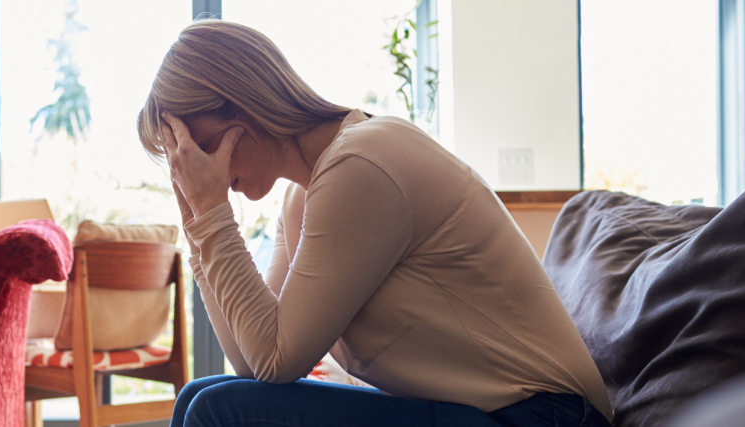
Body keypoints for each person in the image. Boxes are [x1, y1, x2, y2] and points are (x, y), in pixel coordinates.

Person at [136, 20, 613, 427]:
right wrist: (198, 223)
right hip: (484, 413)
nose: (191, 169)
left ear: (239, 106)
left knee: (220, 410)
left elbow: (275, 360)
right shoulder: (302, 199)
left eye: (195, 147)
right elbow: (250, 360)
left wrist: (215, 217)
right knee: (200, 396)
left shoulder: (363, 164)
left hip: (546, 415)